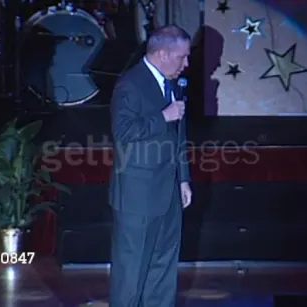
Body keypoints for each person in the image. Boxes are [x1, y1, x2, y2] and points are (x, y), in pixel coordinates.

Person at [108, 25, 193, 307]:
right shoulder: (130, 84)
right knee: (131, 274)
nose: (186, 64)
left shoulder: (172, 84)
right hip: (138, 196)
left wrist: (183, 178)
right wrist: (163, 116)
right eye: (182, 57)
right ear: (162, 53)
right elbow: (123, 131)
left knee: (163, 270)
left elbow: (179, 135)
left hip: (168, 193)